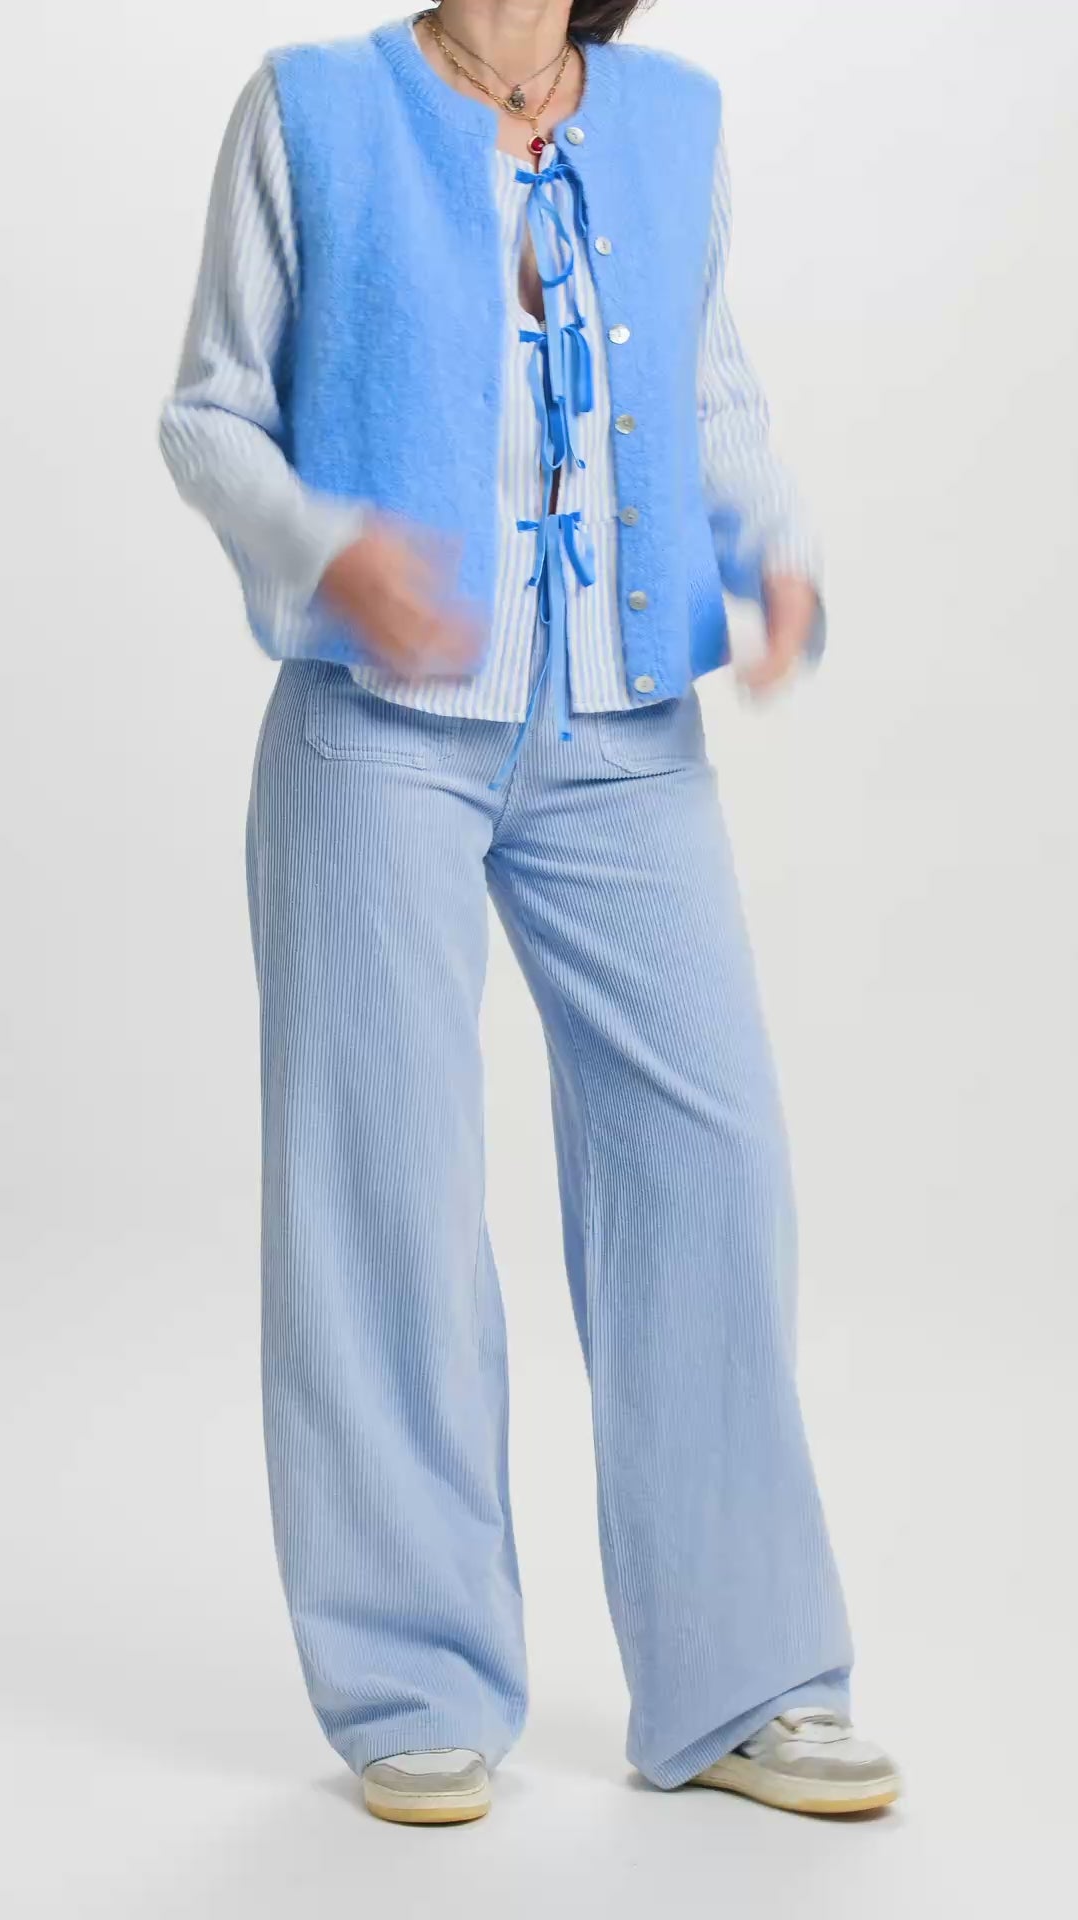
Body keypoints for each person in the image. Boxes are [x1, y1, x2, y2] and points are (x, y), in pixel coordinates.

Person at [160, 0, 901, 1827]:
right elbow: (211, 412)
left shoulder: (669, 117)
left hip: (624, 724)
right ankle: (414, 1681)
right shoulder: (311, 111)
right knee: (386, 1191)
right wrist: (332, 551)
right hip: (375, 724)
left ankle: (744, 1678)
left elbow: (711, 386)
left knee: (710, 1163)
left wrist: (774, 551)